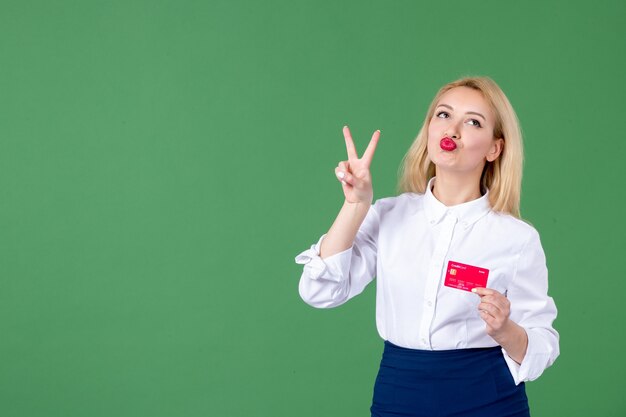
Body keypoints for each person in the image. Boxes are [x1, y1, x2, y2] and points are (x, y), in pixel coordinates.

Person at [294, 76, 559, 417]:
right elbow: (319, 291)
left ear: (495, 148)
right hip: (400, 393)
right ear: (429, 129)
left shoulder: (516, 238)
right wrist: (355, 206)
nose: (453, 130)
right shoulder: (388, 215)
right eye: (444, 115)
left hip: (488, 398)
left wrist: (506, 330)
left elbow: (543, 344)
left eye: (473, 122)